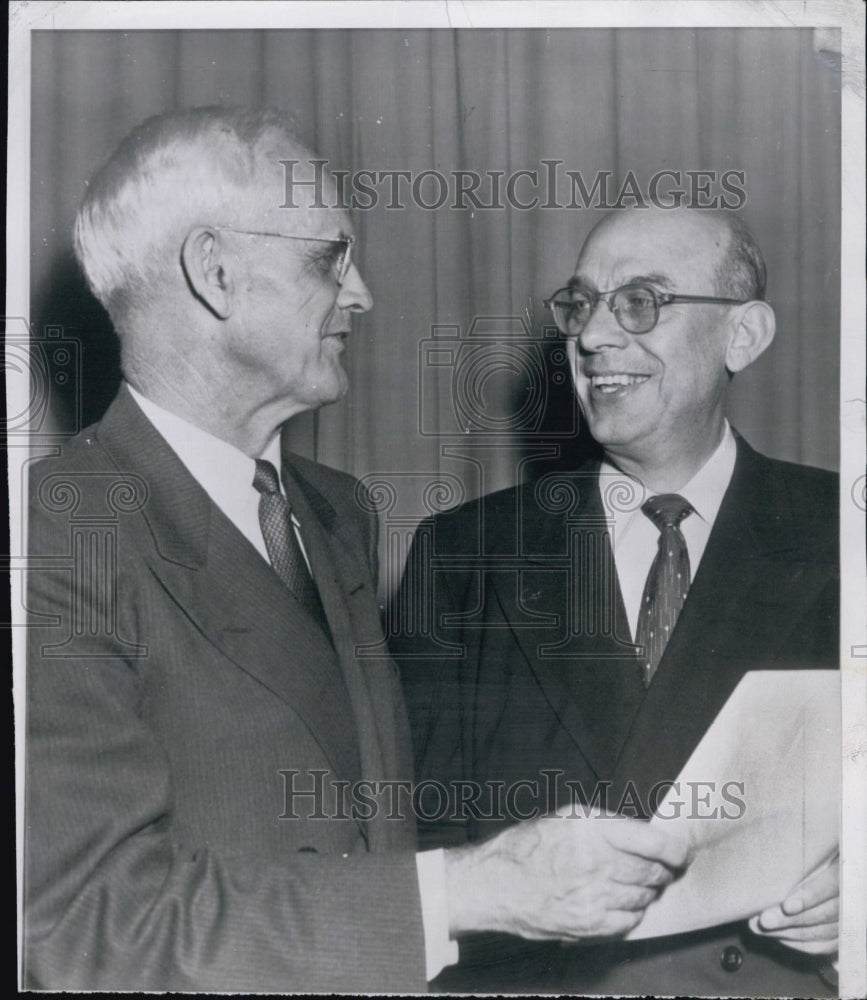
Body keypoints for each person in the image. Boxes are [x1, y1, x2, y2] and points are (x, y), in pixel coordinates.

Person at [23, 108, 690, 992]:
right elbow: (83, 924)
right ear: (215, 273)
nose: (362, 293)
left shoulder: (334, 514)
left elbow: (382, 823)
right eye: (328, 260)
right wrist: (468, 891)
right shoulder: (52, 534)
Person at [394, 206, 840, 996]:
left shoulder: (844, 534)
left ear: (742, 335)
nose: (592, 336)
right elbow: (405, 834)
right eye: (580, 304)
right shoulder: (465, 553)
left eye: (639, 302)